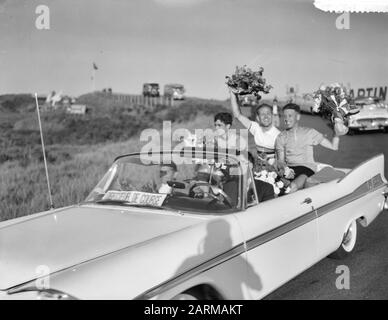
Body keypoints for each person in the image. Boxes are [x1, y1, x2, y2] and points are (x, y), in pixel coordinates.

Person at [275, 103, 340, 193]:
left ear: (297, 117)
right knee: (276, 187)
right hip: (290, 169)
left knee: (292, 186)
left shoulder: (310, 132)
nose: (286, 119)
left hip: (307, 168)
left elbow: (334, 147)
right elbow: (280, 161)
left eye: (290, 116)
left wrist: (336, 132)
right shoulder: (280, 137)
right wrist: (285, 169)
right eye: (285, 116)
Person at [229, 88, 280, 161]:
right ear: (258, 118)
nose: (266, 116)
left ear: (272, 115)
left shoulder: (279, 135)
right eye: (262, 114)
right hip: (258, 168)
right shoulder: (256, 128)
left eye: (268, 113)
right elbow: (237, 115)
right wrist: (233, 94)